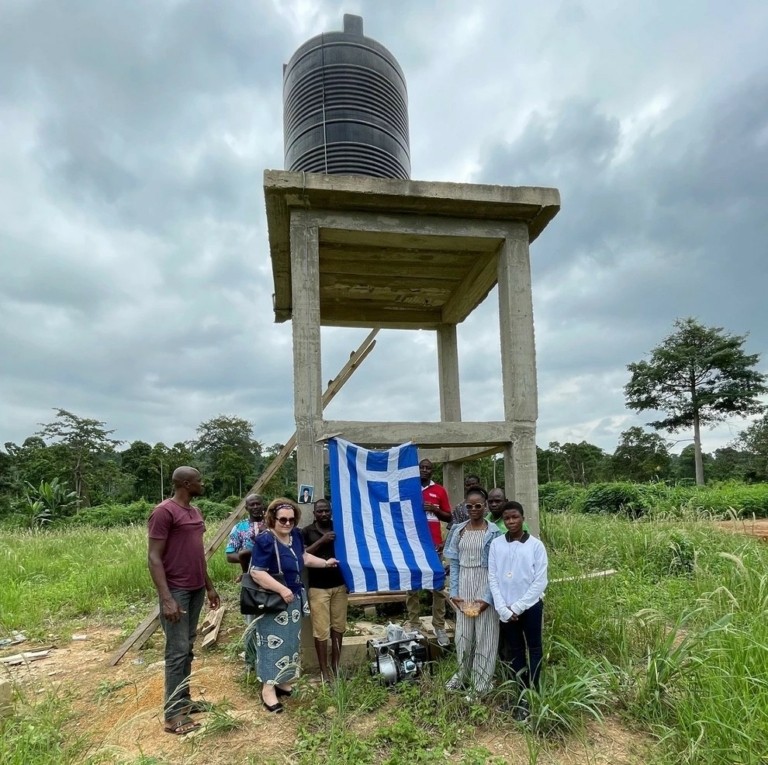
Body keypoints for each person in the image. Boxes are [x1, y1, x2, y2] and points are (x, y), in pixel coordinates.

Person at [147, 466, 220, 736]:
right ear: (186, 484)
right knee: (176, 651)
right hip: (176, 591)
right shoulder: (163, 512)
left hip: (196, 588)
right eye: (199, 480)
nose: (203, 483)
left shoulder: (195, 511)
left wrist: (209, 587)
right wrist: (166, 598)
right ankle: (173, 715)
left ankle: (184, 700)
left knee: (187, 647)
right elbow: (154, 557)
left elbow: (197, 554)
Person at [249, 498, 338, 713]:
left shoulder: (295, 536)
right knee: (271, 644)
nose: (287, 523)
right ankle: (268, 689)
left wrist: (325, 563)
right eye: (283, 519)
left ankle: (282, 681)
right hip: (273, 601)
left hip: (293, 598)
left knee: (290, 642)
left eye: (291, 519)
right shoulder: (265, 540)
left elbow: (303, 557)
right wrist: (281, 589)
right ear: (272, 518)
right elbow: (256, 572)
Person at [488, 501, 548, 721]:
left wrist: (519, 606)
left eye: (515, 517)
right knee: (516, 650)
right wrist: (502, 608)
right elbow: (493, 577)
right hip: (506, 609)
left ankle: (535, 691)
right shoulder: (496, 545)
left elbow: (540, 581)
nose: (511, 521)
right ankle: (520, 694)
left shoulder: (535, 546)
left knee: (534, 647)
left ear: (523, 518)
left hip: (530, 607)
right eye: (507, 518)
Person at [444, 487, 502, 696]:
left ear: (485, 506)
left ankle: (481, 684)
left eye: (478, 506)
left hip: (486, 585)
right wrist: (455, 594)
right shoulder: (458, 530)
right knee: (463, 636)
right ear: (465, 507)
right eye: (470, 506)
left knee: (486, 635)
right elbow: (454, 563)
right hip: (464, 587)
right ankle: (462, 675)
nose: (474, 509)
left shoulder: (494, 532)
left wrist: (487, 599)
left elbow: (497, 569)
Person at [405, 458, 452, 647]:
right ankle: (414, 625)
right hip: (412, 546)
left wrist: (434, 509)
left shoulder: (439, 490)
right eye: (421, 467)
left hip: (434, 547)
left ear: (432, 471)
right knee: (412, 587)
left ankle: (439, 626)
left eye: (428, 468)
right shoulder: (408, 489)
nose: (424, 470)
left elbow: (449, 517)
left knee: (438, 587)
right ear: (417, 470)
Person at [302, 498, 348, 681]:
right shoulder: (306, 531)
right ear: (314, 514)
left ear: (331, 511)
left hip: (339, 585)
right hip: (318, 588)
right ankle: (324, 671)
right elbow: (303, 555)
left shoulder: (339, 528)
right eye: (320, 511)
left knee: (339, 627)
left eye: (326, 510)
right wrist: (322, 540)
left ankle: (335, 666)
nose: (323, 514)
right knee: (321, 631)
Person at [225, 494, 267, 579]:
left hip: (273, 573)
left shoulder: (273, 525)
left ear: (263, 506)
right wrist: (247, 558)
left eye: (258, 504)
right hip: (249, 573)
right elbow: (230, 556)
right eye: (252, 505)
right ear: (246, 508)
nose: (255, 507)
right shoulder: (239, 527)